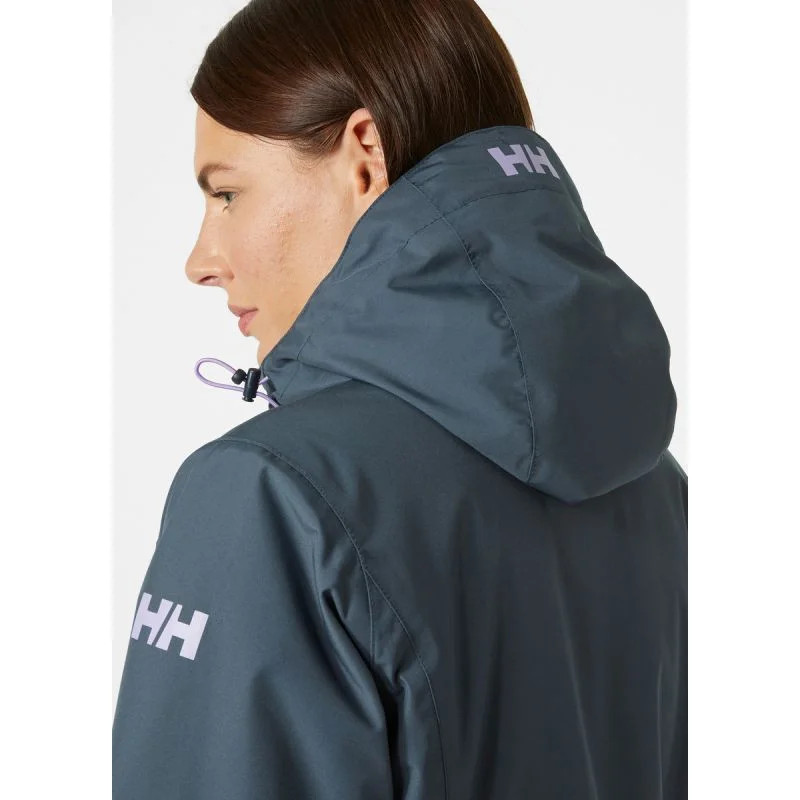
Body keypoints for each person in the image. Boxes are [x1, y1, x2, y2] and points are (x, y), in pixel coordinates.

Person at [112, 0, 688, 797]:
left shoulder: (272, 497)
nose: (201, 258)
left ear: (365, 156)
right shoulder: (657, 487)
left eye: (228, 194)